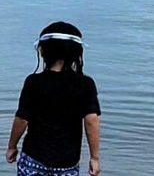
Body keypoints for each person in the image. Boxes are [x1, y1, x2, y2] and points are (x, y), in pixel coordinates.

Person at [6, 22, 101, 176]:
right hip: (67, 162)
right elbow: (91, 121)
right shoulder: (85, 84)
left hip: (33, 158)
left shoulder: (33, 82)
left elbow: (22, 119)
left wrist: (12, 146)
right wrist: (94, 157)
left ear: (42, 50)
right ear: (76, 53)